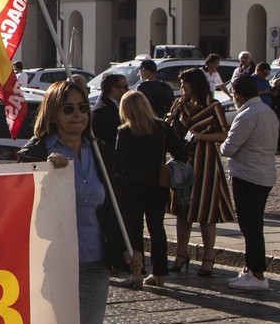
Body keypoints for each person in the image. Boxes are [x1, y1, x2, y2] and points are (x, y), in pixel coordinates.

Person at [11, 80, 137, 324]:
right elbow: (18, 210)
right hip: (50, 262)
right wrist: (46, 177)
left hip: (94, 261)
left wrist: (130, 248)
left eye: (82, 108)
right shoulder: (34, 154)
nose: (77, 115)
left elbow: (115, 205)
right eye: (68, 109)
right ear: (52, 113)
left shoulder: (100, 151)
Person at [113, 90, 184, 288]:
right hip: (157, 185)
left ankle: (136, 272)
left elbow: (119, 162)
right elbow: (179, 153)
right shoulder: (162, 127)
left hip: (131, 186)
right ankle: (160, 273)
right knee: (157, 228)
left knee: (134, 230)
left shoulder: (125, 131)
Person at [168, 68, 234, 277]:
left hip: (205, 161)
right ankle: (181, 254)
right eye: (180, 84)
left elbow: (224, 133)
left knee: (207, 211)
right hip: (183, 159)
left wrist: (202, 137)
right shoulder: (180, 104)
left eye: (185, 83)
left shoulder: (213, 106)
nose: (182, 87)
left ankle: (208, 257)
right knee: (183, 210)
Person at [222, 74, 280, 292]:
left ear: (237, 94)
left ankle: (257, 273)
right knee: (254, 224)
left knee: (251, 226)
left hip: (247, 175)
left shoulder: (246, 115)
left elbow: (229, 148)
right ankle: (250, 269)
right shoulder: (268, 112)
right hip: (265, 173)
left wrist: (221, 144)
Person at [90, 73, 127, 172]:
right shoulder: (101, 111)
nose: (127, 90)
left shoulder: (116, 106)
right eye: (125, 87)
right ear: (114, 90)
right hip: (109, 166)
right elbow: (98, 141)